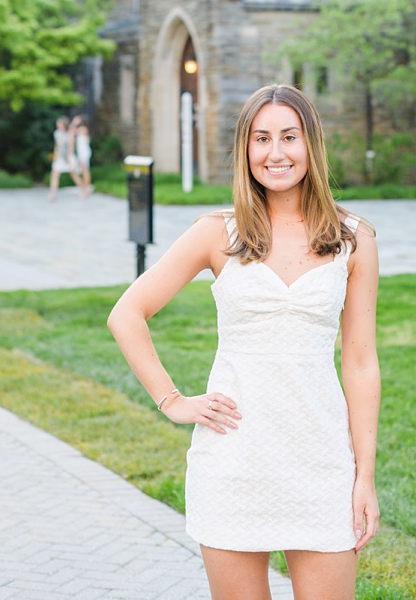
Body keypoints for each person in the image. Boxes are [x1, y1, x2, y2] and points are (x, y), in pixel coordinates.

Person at [109, 85, 381, 600]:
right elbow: (127, 314)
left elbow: (361, 361)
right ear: (245, 150)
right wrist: (172, 401)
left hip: (320, 458)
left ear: (311, 144)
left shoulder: (354, 238)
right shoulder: (218, 233)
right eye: (261, 139)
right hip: (234, 457)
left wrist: (363, 475)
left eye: (288, 137)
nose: (275, 153)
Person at [48, 115, 76, 201]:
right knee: (54, 174)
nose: (58, 125)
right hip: (59, 157)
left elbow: (71, 146)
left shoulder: (69, 134)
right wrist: (55, 157)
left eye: (60, 123)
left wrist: (69, 157)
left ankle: (83, 189)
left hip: (67, 157)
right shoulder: (57, 133)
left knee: (73, 174)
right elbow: (57, 146)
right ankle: (53, 194)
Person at [71, 116, 96, 198]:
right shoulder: (82, 129)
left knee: (85, 170)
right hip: (81, 152)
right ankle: (85, 187)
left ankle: (87, 187)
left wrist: (74, 123)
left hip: (84, 152)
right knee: (83, 170)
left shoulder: (83, 129)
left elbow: (72, 130)